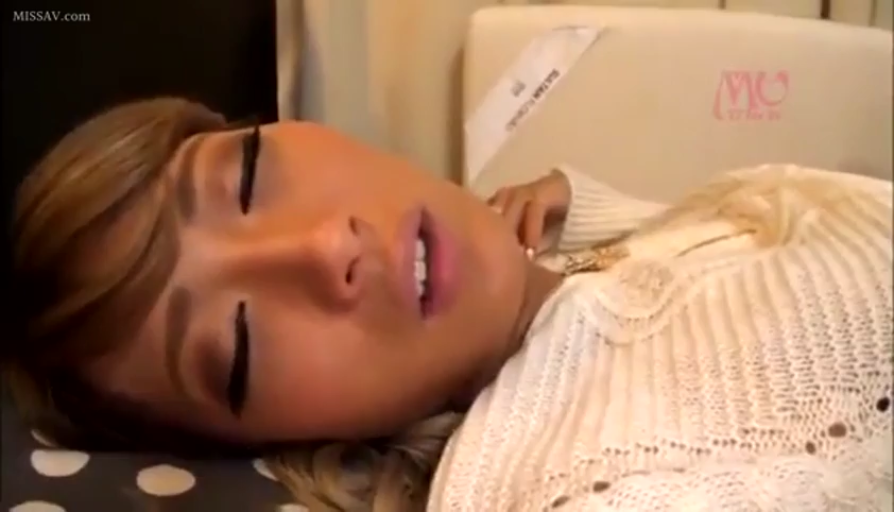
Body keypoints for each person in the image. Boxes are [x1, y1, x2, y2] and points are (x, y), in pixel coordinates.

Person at [4, 97, 891, 512]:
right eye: (239, 347)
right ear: (273, 443)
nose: (327, 247)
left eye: (248, 175)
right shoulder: (604, 485)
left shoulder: (574, 278)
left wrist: (584, 214)